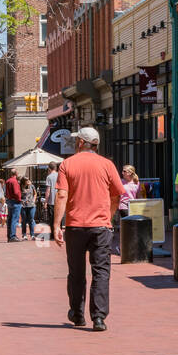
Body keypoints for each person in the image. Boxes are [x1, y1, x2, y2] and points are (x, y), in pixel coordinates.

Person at [53, 126, 124, 332]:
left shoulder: (67, 164)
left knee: (76, 272)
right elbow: (116, 196)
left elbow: (62, 196)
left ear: (81, 143)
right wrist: (107, 217)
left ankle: (77, 313)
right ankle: (99, 317)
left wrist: (57, 225)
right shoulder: (107, 165)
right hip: (101, 227)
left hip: (75, 226)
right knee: (101, 271)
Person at [4, 169, 23, 242]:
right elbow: (16, 192)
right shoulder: (14, 181)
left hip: (9, 201)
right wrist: (19, 199)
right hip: (15, 201)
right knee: (14, 219)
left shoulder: (8, 181)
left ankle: (9, 236)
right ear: (16, 173)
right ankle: (13, 236)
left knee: (10, 219)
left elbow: (6, 192)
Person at [21, 176, 37, 240]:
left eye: (28, 180)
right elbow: (18, 195)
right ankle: (24, 234)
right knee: (24, 220)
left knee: (31, 219)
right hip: (23, 206)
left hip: (32, 205)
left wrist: (34, 200)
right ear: (24, 181)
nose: (28, 181)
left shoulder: (32, 186)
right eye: (26, 180)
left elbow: (35, 194)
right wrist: (21, 201)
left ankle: (32, 234)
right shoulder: (21, 187)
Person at [45, 161, 60, 229]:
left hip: (51, 201)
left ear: (49, 168)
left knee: (52, 219)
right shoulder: (60, 175)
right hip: (59, 200)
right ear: (56, 168)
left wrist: (45, 202)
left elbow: (48, 190)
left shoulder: (49, 177)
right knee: (59, 218)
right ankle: (59, 232)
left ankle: (53, 234)